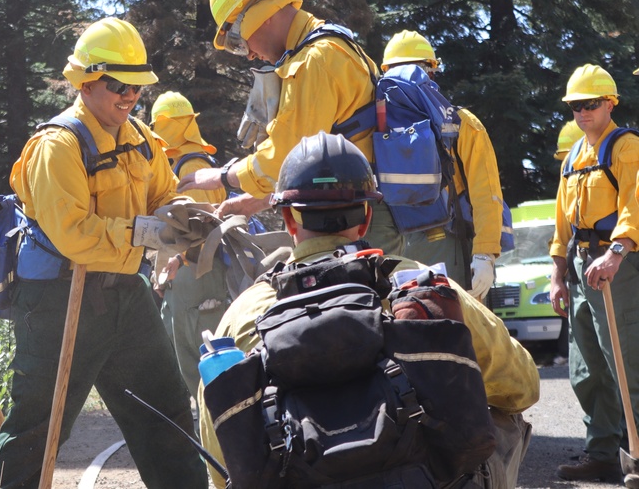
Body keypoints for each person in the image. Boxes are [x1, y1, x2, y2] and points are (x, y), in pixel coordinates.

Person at [198, 132, 538, 489]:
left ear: (288, 219)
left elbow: (222, 453)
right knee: (498, 411)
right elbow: (523, 385)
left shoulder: (245, 313)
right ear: (365, 217)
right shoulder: (421, 287)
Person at [0, 18, 208, 489]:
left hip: (128, 295)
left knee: (166, 414)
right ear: (85, 82)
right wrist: (148, 232)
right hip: (59, 300)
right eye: (118, 85)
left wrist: (182, 216)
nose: (129, 97)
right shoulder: (56, 145)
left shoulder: (142, 138)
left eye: (136, 88)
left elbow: (164, 195)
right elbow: (74, 234)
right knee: (36, 431)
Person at [177, 0, 404, 255]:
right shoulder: (331, 45)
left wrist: (223, 176)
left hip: (356, 219)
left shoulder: (313, 61)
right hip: (356, 212)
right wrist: (253, 201)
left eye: (236, 38)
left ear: (261, 14)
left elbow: (286, 157)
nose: (246, 53)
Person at [549, 64, 639, 484]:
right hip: (582, 266)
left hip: (616, 265)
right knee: (587, 369)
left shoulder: (625, 147)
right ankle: (602, 454)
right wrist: (557, 275)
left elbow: (634, 207)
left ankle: (636, 453)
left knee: (628, 364)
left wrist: (617, 253)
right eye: (574, 106)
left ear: (609, 103)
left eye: (589, 104)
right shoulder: (573, 158)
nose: (581, 113)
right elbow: (561, 225)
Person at [380, 30, 507, 298]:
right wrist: (485, 254)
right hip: (451, 248)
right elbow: (486, 194)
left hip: (396, 251)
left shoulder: (374, 127)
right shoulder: (461, 122)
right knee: (461, 331)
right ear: (431, 72)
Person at [149, 90, 229, 398]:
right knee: (192, 362)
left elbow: (201, 228)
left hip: (196, 274)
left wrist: (175, 262)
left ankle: (208, 440)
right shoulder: (192, 162)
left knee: (198, 364)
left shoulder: (190, 166)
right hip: (193, 273)